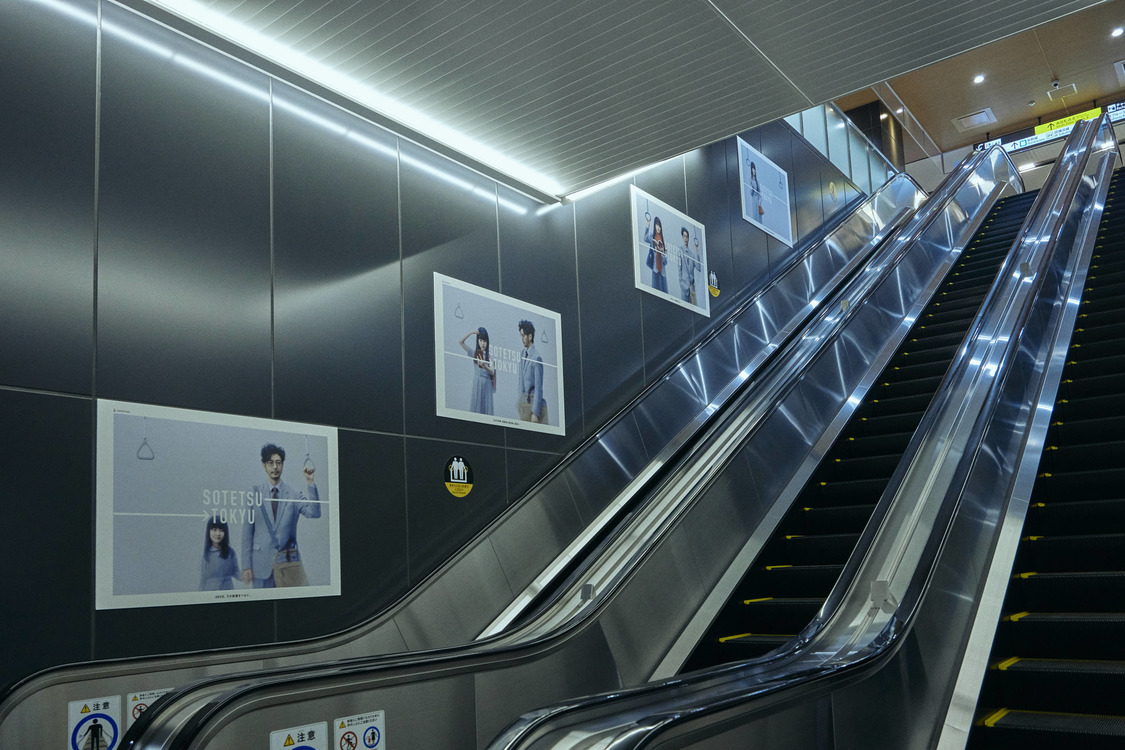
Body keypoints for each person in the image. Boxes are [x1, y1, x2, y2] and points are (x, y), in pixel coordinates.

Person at [240, 443, 321, 588]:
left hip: (287, 566)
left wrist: (310, 482)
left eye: (278, 463)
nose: (275, 467)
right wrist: (246, 566)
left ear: (283, 465)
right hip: (261, 566)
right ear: (264, 466)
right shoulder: (254, 493)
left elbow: (314, 513)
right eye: (270, 463)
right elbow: (247, 532)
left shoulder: (294, 494)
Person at [516, 320, 548, 424]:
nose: (522, 338)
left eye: (523, 335)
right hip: (523, 405)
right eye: (521, 335)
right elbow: (521, 379)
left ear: (530, 336)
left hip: (533, 406)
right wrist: (519, 402)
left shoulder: (536, 358)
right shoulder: (522, 353)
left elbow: (539, 387)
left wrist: (535, 413)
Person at [458, 327, 496, 414]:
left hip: (486, 384)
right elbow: (460, 342)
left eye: (485, 341)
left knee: (486, 408)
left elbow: (492, 371)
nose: (483, 343)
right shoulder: (474, 353)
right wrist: (471, 333)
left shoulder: (490, 357)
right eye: (481, 340)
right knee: (476, 406)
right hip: (477, 383)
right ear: (477, 341)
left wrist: (484, 366)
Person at [200, 517, 239, 591]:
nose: (218, 534)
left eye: (221, 530)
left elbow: (236, 572)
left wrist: (247, 575)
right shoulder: (204, 554)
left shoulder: (231, 552)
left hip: (227, 591)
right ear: (208, 531)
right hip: (210, 591)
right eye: (214, 530)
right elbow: (202, 579)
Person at [676, 226, 701, 305]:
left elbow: (699, 268)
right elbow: (679, 269)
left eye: (687, 237)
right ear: (682, 237)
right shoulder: (680, 250)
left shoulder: (692, 254)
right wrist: (681, 283)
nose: (685, 239)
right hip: (684, 287)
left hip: (692, 288)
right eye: (684, 236)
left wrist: (697, 250)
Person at [644, 215, 668, 293]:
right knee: (655, 291)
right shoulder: (652, 236)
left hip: (663, 272)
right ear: (654, 225)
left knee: (664, 292)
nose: (658, 228)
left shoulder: (663, 242)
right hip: (655, 269)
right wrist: (648, 225)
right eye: (657, 225)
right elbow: (645, 238)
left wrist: (662, 252)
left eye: (659, 226)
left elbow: (666, 262)